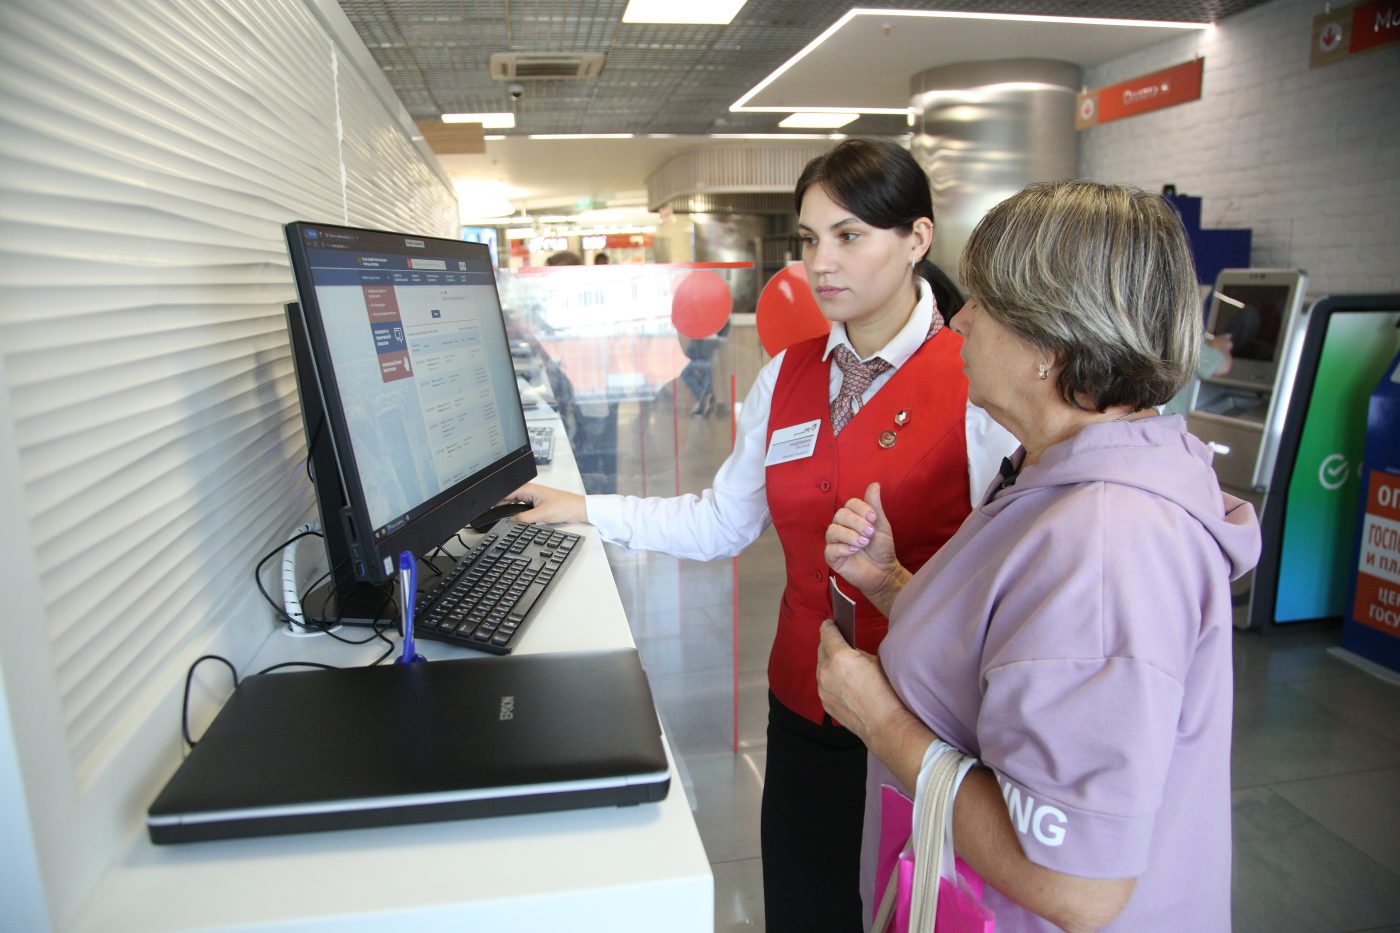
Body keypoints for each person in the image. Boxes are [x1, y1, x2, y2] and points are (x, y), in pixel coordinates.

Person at [507, 138, 1015, 932]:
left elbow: (1002, 570)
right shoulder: (791, 372)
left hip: (921, 715)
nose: (822, 263)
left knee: (911, 909)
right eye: (810, 240)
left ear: (916, 239)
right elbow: (720, 521)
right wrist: (583, 507)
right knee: (804, 905)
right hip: (803, 697)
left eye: (849, 236)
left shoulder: (977, 379)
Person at [817, 181, 1261, 931]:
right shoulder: (1053, 470)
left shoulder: (1108, 540)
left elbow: (1074, 884)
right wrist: (894, 584)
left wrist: (879, 721)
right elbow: (1024, 646)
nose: (959, 319)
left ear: (1050, 345)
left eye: (983, 303)